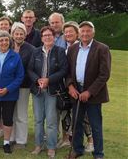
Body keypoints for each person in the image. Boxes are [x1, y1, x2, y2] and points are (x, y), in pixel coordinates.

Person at [66, 21, 111, 159]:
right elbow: (67, 71)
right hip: (76, 91)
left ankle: (98, 153)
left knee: (95, 125)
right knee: (76, 123)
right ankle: (77, 149)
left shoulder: (102, 48)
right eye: (83, 31)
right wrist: (70, 86)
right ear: (79, 33)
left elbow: (104, 74)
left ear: (93, 33)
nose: (85, 34)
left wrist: (89, 92)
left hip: (94, 93)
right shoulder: (73, 49)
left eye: (88, 31)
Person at [28, 26, 68, 159]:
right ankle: (38, 145)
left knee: (51, 121)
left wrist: (49, 80)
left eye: (49, 35)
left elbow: (63, 70)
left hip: (52, 91)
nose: (47, 37)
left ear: (53, 37)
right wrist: (37, 80)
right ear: (42, 38)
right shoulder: (36, 52)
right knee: (38, 120)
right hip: (37, 91)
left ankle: (51, 147)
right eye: (44, 35)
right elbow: (30, 69)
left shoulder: (60, 51)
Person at [63, 21, 94, 152]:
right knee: (67, 113)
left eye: (71, 31)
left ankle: (90, 141)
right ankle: (68, 140)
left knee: (84, 115)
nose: (68, 34)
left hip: (80, 87)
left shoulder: (80, 47)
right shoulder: (66, 48)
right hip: (66, 86)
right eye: (66, 32)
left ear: (77, 34)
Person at [9, 22, 35, 148]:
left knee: (21, 114)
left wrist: (16, 82)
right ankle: (11, 137)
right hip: (8, 87)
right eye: (16, 33)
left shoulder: (31, 49)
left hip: (23, 86)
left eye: (21, 34)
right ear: (12, 34)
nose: (18, 36)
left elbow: (30, 69)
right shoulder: (7, 46)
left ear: (25, 35)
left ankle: (21, 140)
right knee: (10, 113)